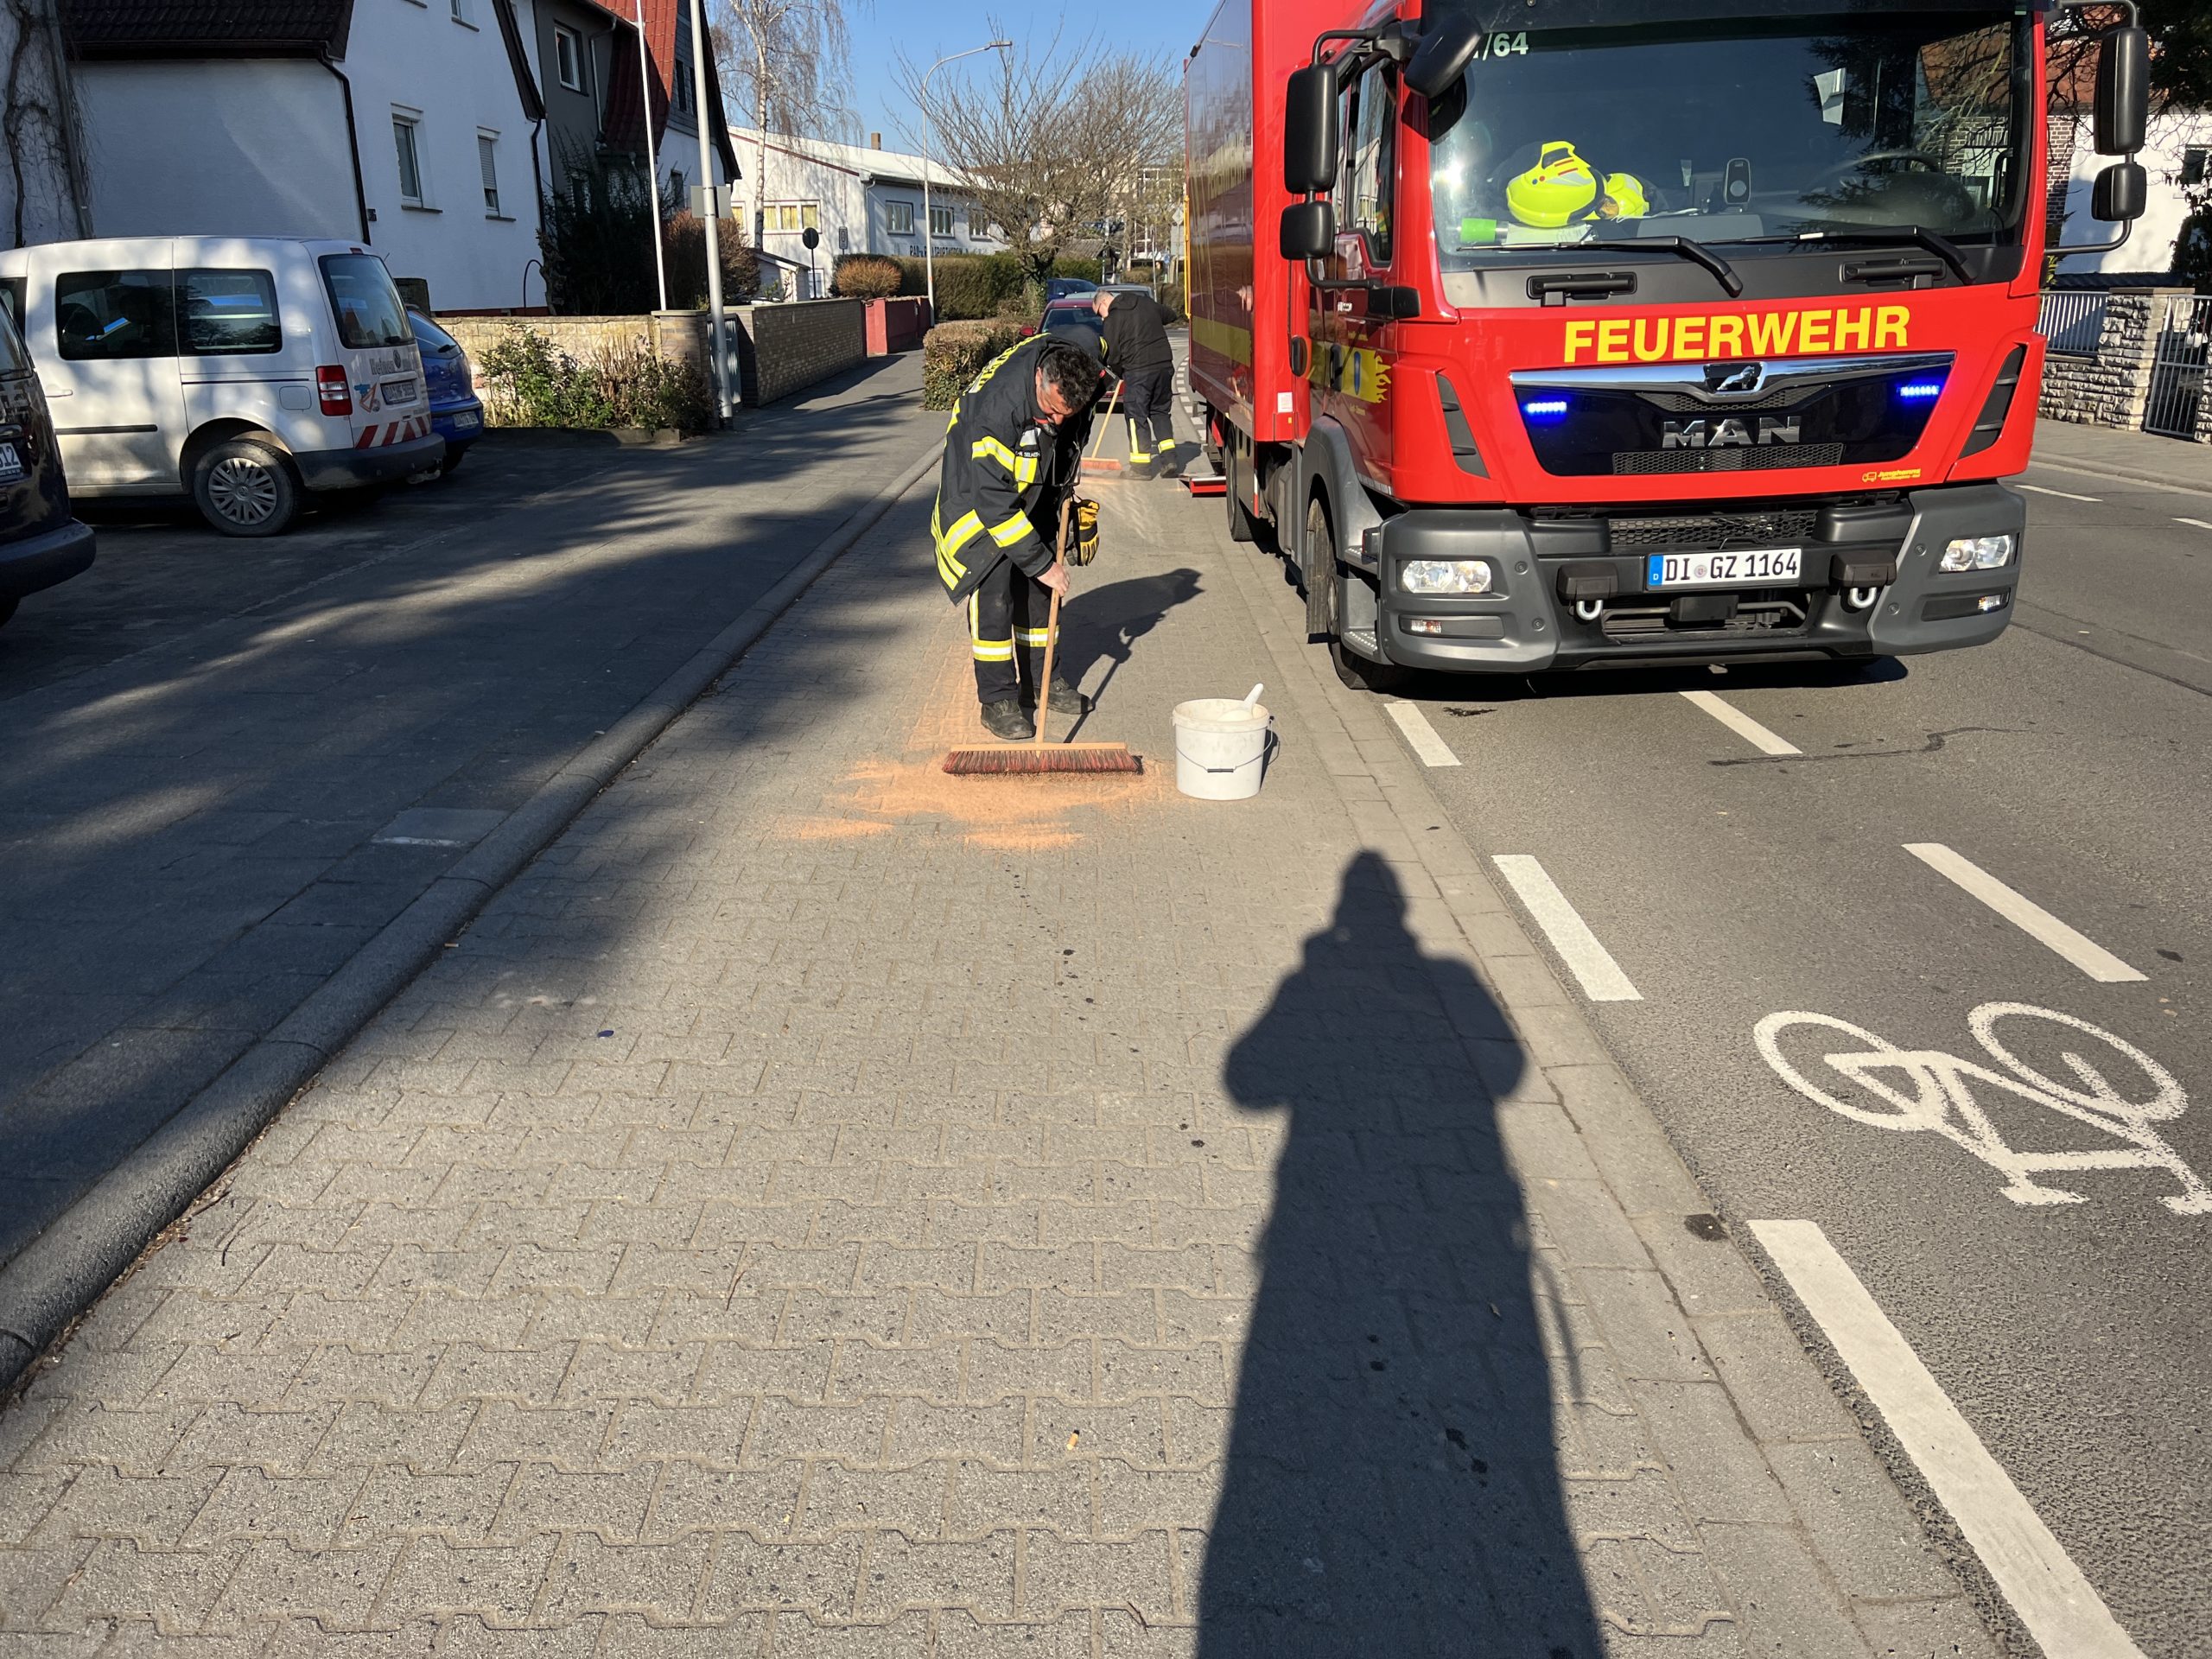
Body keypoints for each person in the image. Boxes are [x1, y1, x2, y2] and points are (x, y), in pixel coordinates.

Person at [931, 332, 1103, 741]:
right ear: (1040, 377)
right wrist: (1041, 564)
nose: (1057, 420)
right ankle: (998, 700)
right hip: (977, 500)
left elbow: (1105, 355)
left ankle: (1041, 682)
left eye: (1067, 412)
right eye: (1052, 409)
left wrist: (1063, 492)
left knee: (1041, 593)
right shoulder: (998, 410)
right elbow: (993, 501)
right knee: (995, 595)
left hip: (1032, 486)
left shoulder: (1076, 364)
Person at [1093, 289, 1181, 479]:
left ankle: (1141, 469)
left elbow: (1113, 355)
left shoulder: (1112, 319)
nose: (1101, 318)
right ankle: (1170, 460)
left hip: (1138, 371)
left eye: (1098, 312)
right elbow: (1171, 315)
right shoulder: (1145, 303)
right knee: (1160, 412)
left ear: (1103, 303)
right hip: (1164, 367)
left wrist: (1119, 373)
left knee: (1135, 417)